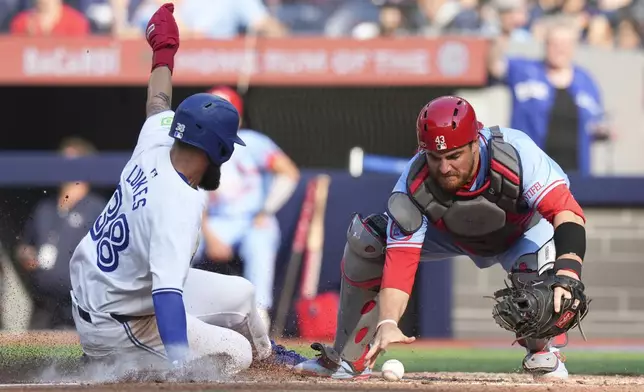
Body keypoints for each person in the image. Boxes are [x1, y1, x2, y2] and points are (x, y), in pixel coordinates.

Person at [68, 3, 306, 379]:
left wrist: (163, 52)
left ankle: (269, 356)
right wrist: (179, 368)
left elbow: (157, 101)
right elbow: (167, 300)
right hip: (115, 318)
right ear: (217, 152)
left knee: (244, 294)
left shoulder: (160, 138)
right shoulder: (177, 204)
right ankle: (124, 367)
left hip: (117, 282)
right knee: (234, 353)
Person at [294, 95, 588, 380]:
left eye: (454, 155)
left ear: (476, 141)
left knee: (538, 271)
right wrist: (388, 322)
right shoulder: (414, 182)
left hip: (520, 232)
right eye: (435, 157)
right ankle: (349, 357)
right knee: (368, 240)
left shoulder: (516, 153)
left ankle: (544, 351)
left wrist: (567, 274)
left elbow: (567, 212)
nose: (445, 167)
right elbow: (401, 263)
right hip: (449, 235)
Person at [195, 86, 300, 332]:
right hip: (214, 222)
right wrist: (209, 236)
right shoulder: (198, 147)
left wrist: (266, 210)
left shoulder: (252, 142)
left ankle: (259, 316)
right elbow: (194, 200)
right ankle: (167, 308)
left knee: (262, 236)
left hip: (251, 220)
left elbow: (289, 173)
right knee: (184, 236)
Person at [488, 16, 610, 175]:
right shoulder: (524, 71)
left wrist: (603, 130)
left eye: (566, 44)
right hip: (530, 172)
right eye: (555, 43)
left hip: (575, 174)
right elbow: (495, 67)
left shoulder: (586, 82)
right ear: (545, 44)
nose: (560, 49)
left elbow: (596, 122)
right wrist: (500, 38)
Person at [15, 137, 105, 330]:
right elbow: (25, 246)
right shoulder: (43, 208)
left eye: (70, 162)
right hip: (43, 308)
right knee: (33, 358)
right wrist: (26, 255)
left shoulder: (98, 209)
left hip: (79, 311)